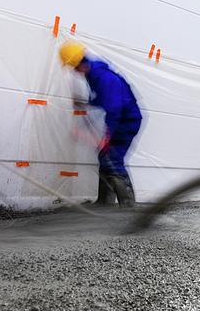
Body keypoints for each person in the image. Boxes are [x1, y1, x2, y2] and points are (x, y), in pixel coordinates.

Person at [59, 40, 141, 207]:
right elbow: (104, 100)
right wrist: (85, 103)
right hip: (122, 119)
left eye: (73, 67)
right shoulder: (92, 75)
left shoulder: (103, 77)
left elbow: (114, 109)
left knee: (112, 158)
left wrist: (107, 136)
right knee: (105, 157)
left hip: (127, 121)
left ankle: (129, 206)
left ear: (77, 65)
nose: (74, 72)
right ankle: (104, 202)